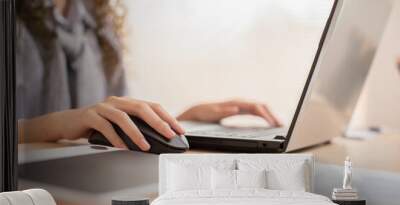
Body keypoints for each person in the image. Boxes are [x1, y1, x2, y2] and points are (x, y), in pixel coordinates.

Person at [17, 0, 280, 151]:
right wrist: (55, 125)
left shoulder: (98, 23)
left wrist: (179, 124)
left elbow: (114, 123)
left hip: (87, 180)